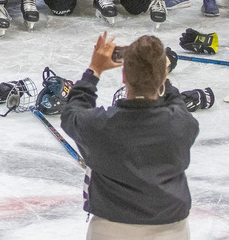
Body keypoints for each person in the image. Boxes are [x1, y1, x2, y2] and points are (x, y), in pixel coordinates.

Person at [62, 33, 199, 239]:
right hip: (171, 231)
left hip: (109, 231)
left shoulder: (99, 126)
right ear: (163, 75)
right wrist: (161, 74)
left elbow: (73, 111)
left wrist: (94, 70)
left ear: (124, 76)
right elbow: (176, 102)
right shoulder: (181, 124)